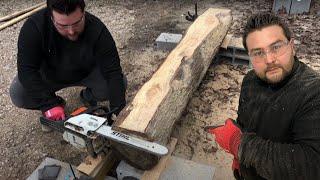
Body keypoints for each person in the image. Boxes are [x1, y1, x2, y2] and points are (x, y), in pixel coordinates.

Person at [206, 13, 320, 179]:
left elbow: (312, 165)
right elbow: (245, 124)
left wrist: (239, 145)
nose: (269, 59)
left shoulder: (313, 92)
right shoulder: (250, 81)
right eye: (258, 53)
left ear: (292, 46)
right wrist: (240, 160)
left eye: (276, 47)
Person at [9, 0, 126, 124]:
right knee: (19, 93)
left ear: (83, 12)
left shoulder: (97, 29)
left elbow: (113, 72)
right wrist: (49, 104)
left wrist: (117, 114)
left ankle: (88, 96)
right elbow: (26, 72)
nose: (71, 31)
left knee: (119, 84)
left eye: (76, 23)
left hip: (86, 73)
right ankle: (57, 103)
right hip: (49, 77)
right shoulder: (33, 28)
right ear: (51, 17)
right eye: (62, 26)